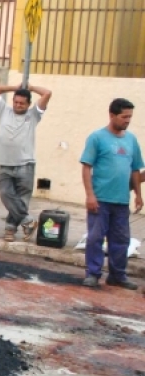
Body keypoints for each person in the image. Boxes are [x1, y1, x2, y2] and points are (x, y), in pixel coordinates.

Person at [80, 98, 143, 290]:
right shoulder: (97, 138)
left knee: (121, 240)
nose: (127, 120)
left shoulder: (131, 140)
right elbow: (86, 168)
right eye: (124, 117)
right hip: (100, 200)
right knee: (95, 238)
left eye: (130, 117)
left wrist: (138, 195)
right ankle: (93, 273)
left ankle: (117, 275)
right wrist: (90, 195)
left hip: (121, 201)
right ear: (112, 115)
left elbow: (135, 170)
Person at [0, 83, 52, 242]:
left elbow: (47, 93)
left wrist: (30, 87)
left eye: (22, 103)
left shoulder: (33, 115)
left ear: (28, 104)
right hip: (5, 163)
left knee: (21, 199)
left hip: (25, 164)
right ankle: (28, 221)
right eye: (16, 102)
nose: (18, 105)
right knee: (5, 193)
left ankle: (10, 229)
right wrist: (14, 88)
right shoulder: (4, 110)